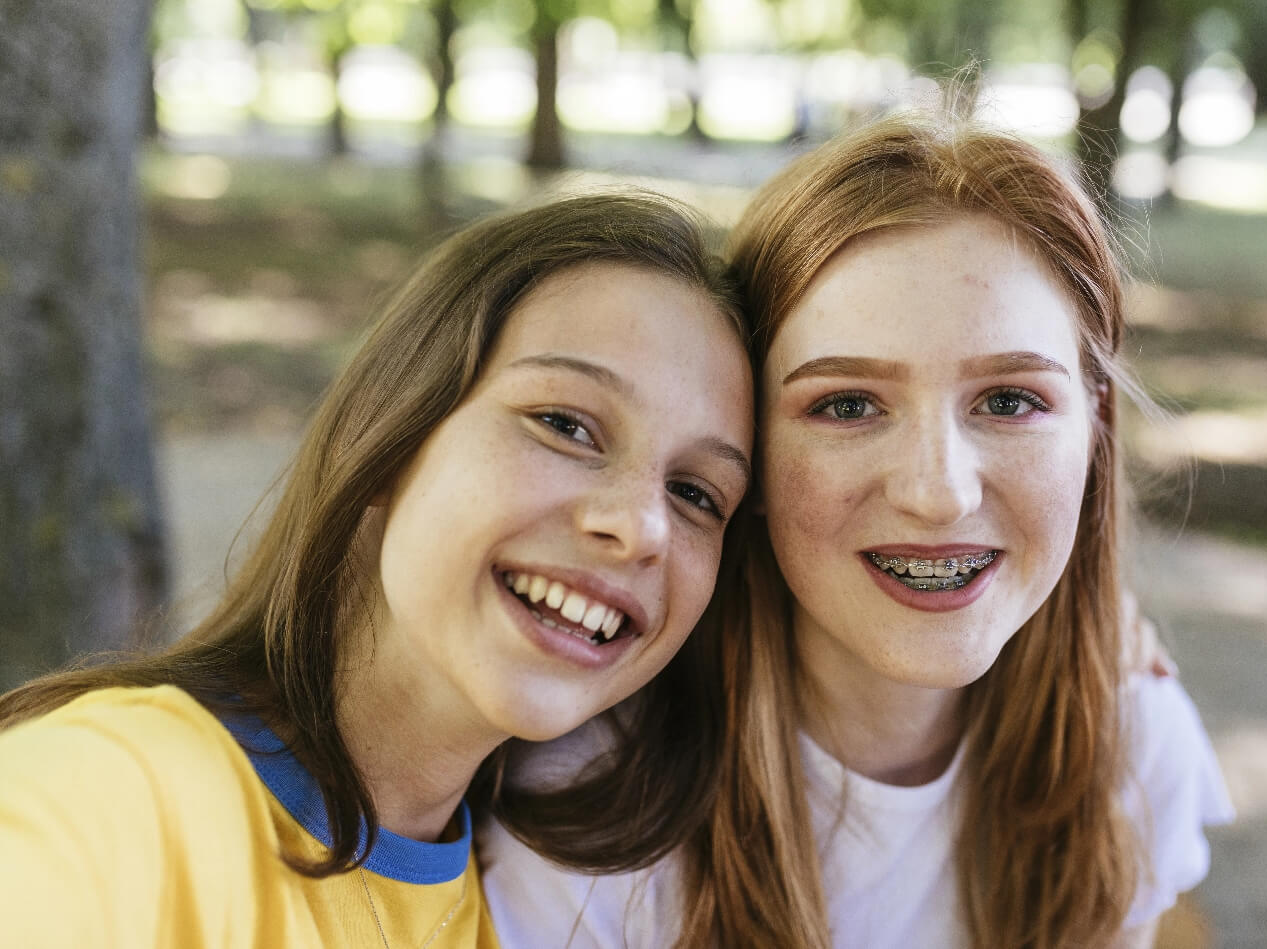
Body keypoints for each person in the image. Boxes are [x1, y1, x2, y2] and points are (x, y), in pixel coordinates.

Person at [477, 114, 1234, 948]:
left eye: (1010, 401)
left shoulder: (1130, 741)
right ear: (749, 451)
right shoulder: (595, 814)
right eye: (846, 405)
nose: (938, 493)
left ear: (1093, 427)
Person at [0, 192, 755, 948]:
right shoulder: (109, 801)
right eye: (565, 424)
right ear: (387, 439)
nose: (640, 527)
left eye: (695, 493)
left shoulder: (506, 913)